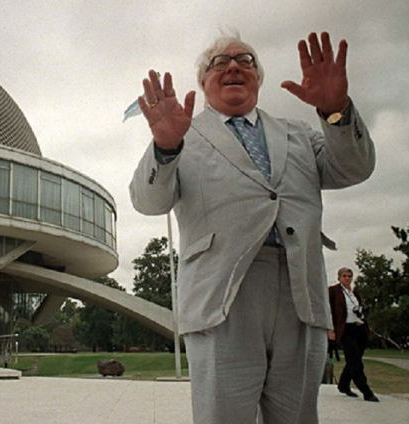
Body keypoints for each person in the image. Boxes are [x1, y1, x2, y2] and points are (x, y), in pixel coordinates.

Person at [129, 30, 375, 424]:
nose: (233, 66)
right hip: (223, 296)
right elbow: (148, 201)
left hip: (300, 290)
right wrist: (164, 147)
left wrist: (336, 113)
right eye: (219, 62)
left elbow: (354, 167)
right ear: (204, 81)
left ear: (258, 78)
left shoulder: (297, 134)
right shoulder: (182, 135)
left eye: (245, 61)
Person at [329, 267, 379, 402]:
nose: (347, 278)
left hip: (360, 328)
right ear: (339, 277)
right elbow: (328, 311)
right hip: (346, 329)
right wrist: (330, 329)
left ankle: (343, 384)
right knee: (355, 361)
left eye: (349, 276)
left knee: (354, 359)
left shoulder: (355, 292)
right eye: (344, 276)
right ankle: (366, 391)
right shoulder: (333, 291)